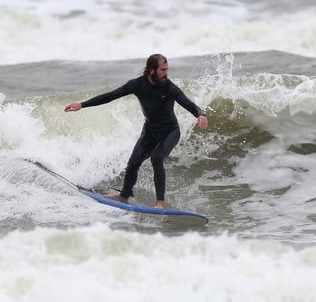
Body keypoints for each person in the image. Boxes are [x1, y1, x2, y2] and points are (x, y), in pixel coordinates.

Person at [64, 54, 208, 208]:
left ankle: (160, 203)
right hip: (150, 131)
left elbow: (189, 104)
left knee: (157, 157)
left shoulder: (169, 87)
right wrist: (82, 105)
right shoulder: (137, 85)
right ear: (151, 70)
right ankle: (123, 196)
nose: (166, 73)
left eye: (167, 69)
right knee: (133, 163)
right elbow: (110, 96)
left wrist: (200, 114)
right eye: (162, 70)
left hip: (170, 132)